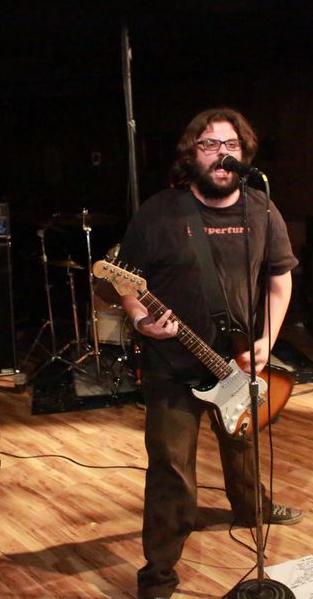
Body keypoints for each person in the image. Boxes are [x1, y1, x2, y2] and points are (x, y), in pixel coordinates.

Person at [117, 107, 302, 599]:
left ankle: (253, 509)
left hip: (235, 360)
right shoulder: (159, 213)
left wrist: (267, 341)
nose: (222, 154)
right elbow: (124, 283)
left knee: (244, 447)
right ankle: (158, 573)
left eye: (231, 145)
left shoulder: (262, 209)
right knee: (171, 469)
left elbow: (280, 279)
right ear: (192, 154)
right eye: (210, 144)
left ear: (245, 154)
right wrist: (140, 320)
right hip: (172, 367)